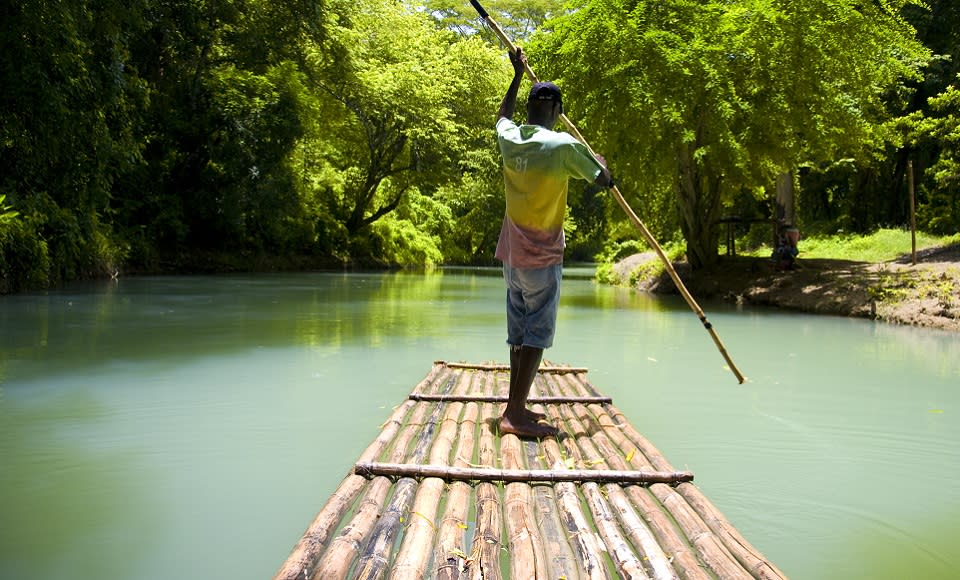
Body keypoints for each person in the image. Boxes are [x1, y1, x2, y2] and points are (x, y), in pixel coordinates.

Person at [495, 48, 614, 438]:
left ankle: (515, 407)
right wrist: (599, 160)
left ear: (529, 108)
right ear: (558, 111)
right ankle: (514, 415)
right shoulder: (564, 146)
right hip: (542, 258)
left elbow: (502, 117)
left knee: (519, 334)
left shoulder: (510, 138)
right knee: (536, 336)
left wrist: (516, 75)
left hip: (511, 257)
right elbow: (604, 181)